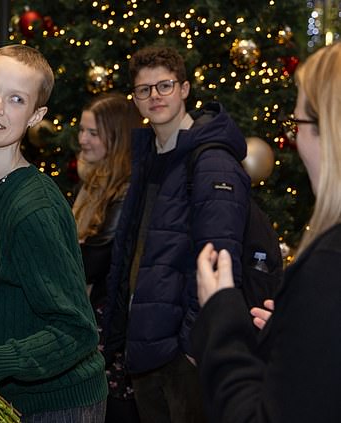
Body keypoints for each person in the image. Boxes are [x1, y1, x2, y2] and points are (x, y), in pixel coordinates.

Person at [0, 44, 108, 422]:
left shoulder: (34, 207)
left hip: (57, 405)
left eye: (16, 99)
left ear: (36, 115)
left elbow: (78, 329)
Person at [193, 41, 341, 423]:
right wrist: (294, 326)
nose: (296, 140)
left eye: (299, 125)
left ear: (329, 129)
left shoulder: (328, 264)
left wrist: (221, 312)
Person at [103, 46, 250, 423]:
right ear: (134, 99)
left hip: (183, 354)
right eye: (143, 90)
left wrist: (192, 343)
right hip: (148, 344)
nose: (154, 96)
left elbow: (221, 256)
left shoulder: (210, 160)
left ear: (184, 89)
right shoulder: (150, 154)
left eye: (164, 86)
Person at [73, 93, 142, 422]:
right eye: (82, 130)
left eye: (93, 133)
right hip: (93, 313)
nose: (83, 140)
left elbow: (93, 261)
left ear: (116, 138)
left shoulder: (125, 188)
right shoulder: (93, 181)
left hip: (111, 320)